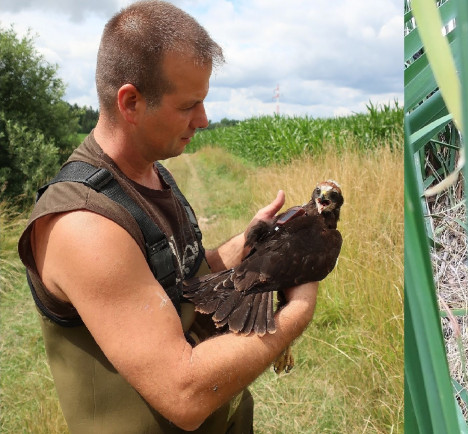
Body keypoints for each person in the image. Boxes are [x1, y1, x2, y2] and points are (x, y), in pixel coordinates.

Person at [16, 1, 318, 432]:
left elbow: (178, 280)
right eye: (189, 105)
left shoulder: (153, 174)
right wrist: (297, 311)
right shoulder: (84, 225)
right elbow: (185, 391)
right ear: (131, 102)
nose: (204, 119)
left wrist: (252, 244)